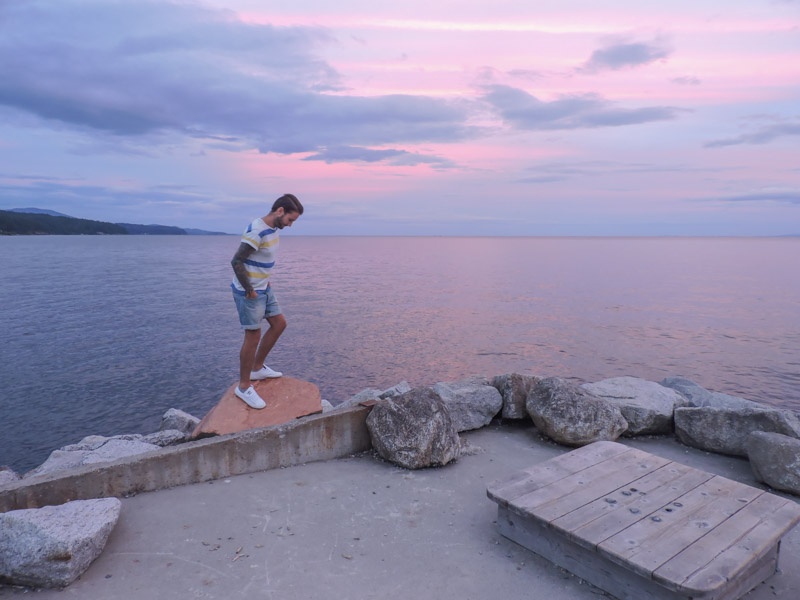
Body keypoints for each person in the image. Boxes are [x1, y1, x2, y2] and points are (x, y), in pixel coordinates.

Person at [230, 194, 304, 408]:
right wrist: (250, 289)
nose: (290, 225)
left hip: (264, 287)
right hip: (249, 291)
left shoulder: (272, 229)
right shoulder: (257, 230)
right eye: (290, 220)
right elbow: (236, 261)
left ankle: (257, 367)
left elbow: (261, 259)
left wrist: (266, 282)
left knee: (279, 324)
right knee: (252, 335)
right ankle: (243, 387)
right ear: (280, 211)